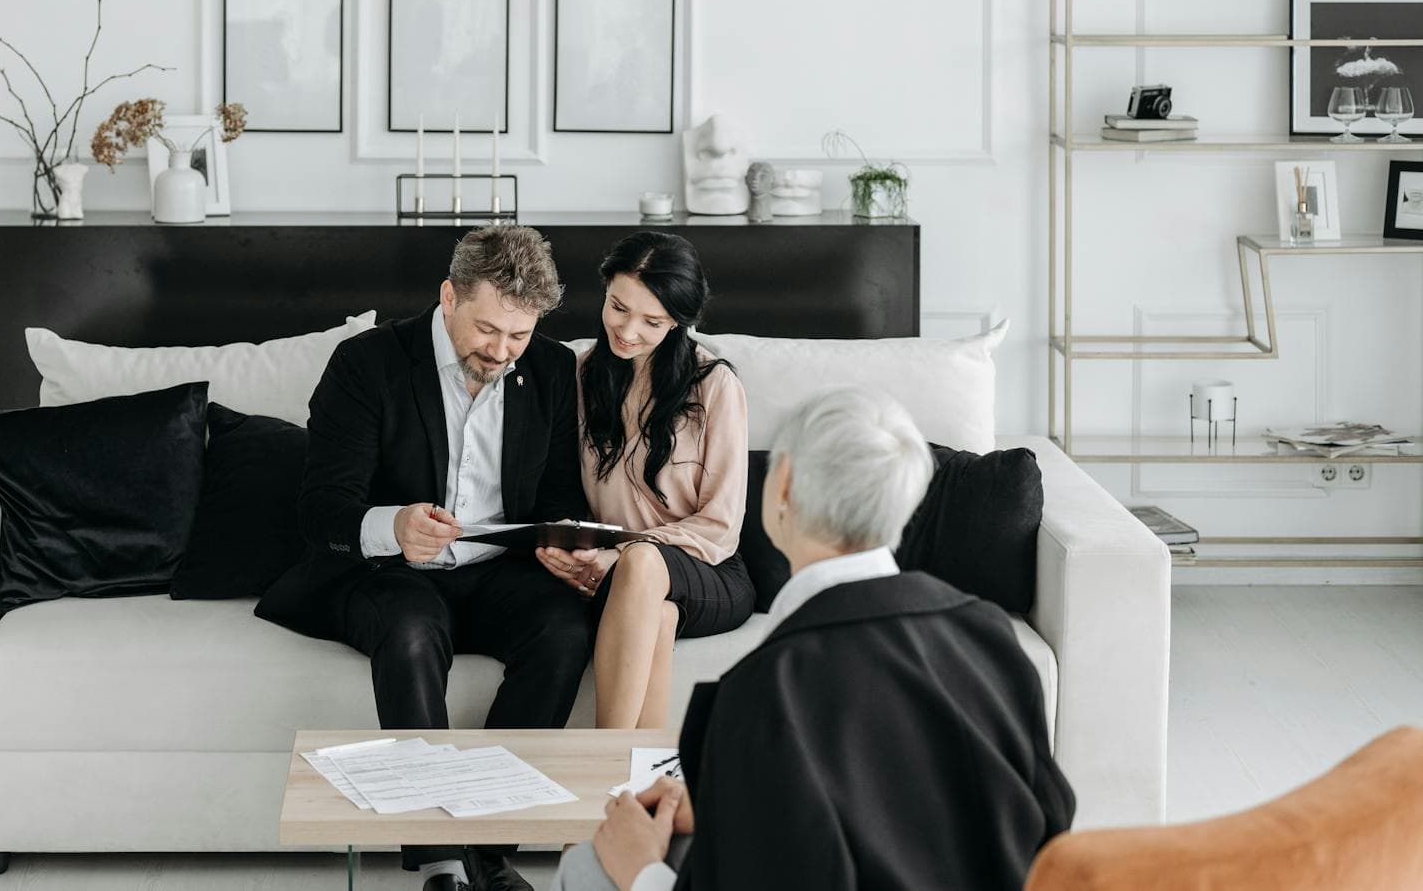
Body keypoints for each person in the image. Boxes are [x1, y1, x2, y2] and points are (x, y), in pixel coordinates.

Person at [552, 385, 1075, 891]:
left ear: (781, 487)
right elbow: (1047, 827)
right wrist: (722, 797)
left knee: (589, 865)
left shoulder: (761, 689)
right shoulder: (990, 638)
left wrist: (640, 867)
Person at [258, 224, 595, 891]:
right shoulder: (367, 363)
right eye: (488, 329)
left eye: (519, 335)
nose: (501, 350)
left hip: (499, 571)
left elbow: (558, 495)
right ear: (448, 295)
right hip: (386, 573)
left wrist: (563, 543)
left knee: (564, 629)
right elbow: (321, 508)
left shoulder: (553, 369)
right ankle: (445, 864)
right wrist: (393, 525)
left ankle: (487, 847)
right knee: (411, 633)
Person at [535, 232, 752, 729]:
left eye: (652, 321)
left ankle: (600, 755)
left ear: (678, 321)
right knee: (657, 615)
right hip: (620, 572)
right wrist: (576, 546)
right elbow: (569, 490)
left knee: (643, 565)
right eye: (618, 307)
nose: (627, 331)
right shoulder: (581, 375)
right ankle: (637, 779)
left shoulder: (714, 385)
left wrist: (624, 553)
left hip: (710, 570)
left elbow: (720, 527)